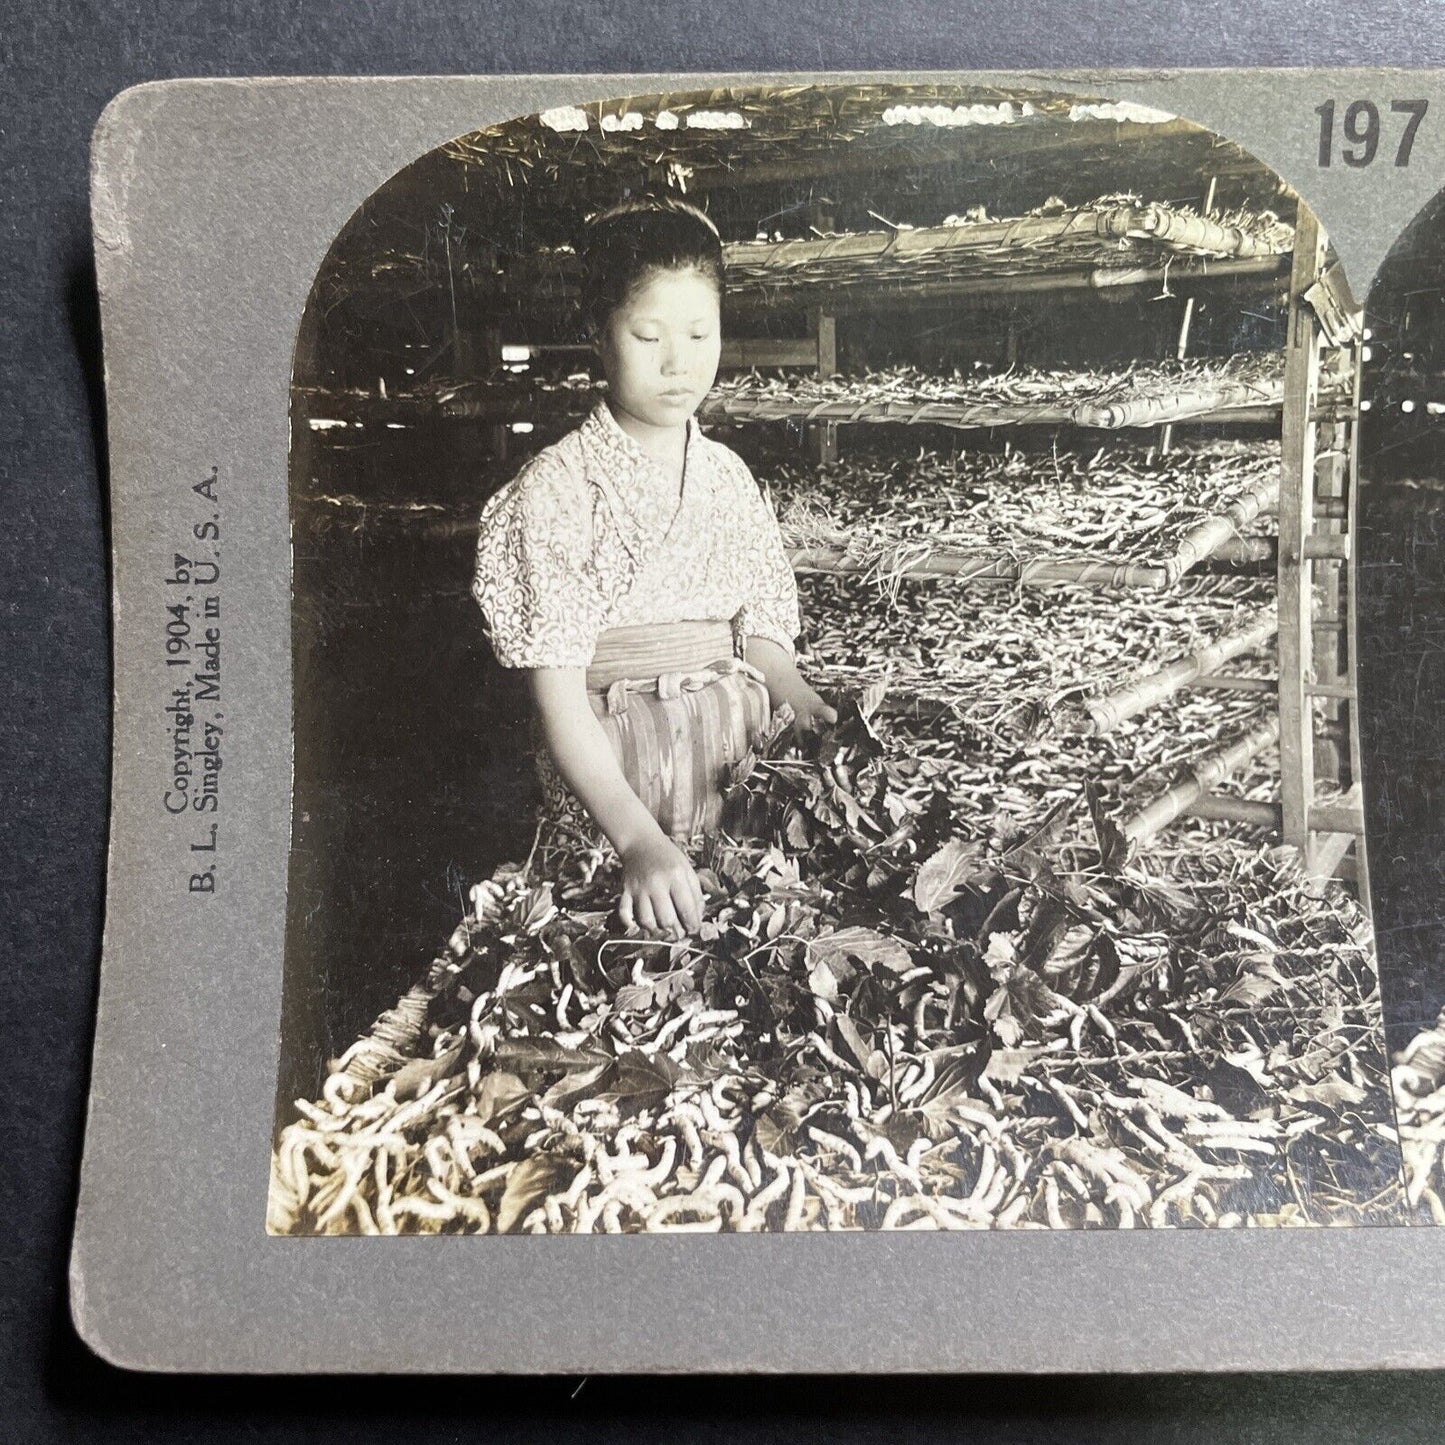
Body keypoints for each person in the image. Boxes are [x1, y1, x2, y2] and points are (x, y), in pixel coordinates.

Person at [472, 195, 835, 941]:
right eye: (648, 335)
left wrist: (799, 699)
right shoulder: (557, 488)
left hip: (737, 797)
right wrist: (635, 842)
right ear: (597, 338)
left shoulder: (727, 476)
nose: (679, 363)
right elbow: (560, 696)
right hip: (614, 808)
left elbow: (760, 634)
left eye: (700, 333)